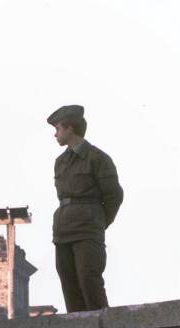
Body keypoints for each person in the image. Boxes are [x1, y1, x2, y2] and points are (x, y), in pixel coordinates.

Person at [47, 105, 124, 312]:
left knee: (89, 281)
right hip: (63, 230)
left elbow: (114, 195)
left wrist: (98, 222)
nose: (55, 134)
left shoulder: (98, 158)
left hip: (88, 229)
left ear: (70, 128)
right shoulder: (60, 162)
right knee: (69, 284)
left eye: (58, 129)